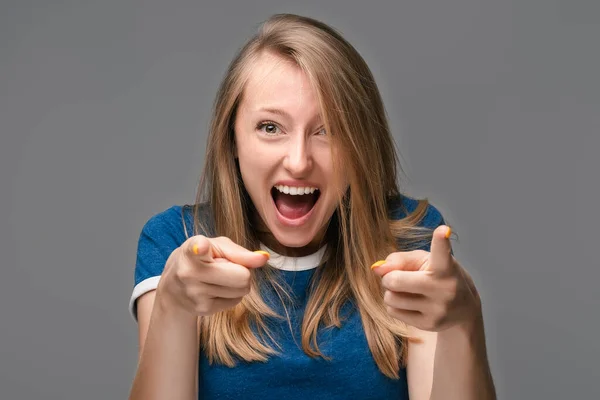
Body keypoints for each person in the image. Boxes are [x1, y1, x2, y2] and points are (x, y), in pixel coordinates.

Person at [127, 13, 496, 400]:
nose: (299, 162)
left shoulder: (408, 241)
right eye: (271, 127)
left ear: (360, 146)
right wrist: (172, 307)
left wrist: (463, 322)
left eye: (329, 130)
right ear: (232, 139)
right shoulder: (175, 242)